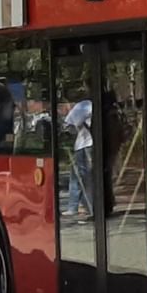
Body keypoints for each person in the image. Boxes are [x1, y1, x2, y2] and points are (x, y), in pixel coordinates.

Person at [62, 86, 94, 219]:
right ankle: (86, 205)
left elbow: (68, 126)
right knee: (89, 176)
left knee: (78, 176)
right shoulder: (95, 105)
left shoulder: (82, 106)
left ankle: (74, 206)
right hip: (93, 144)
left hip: (83, 144)